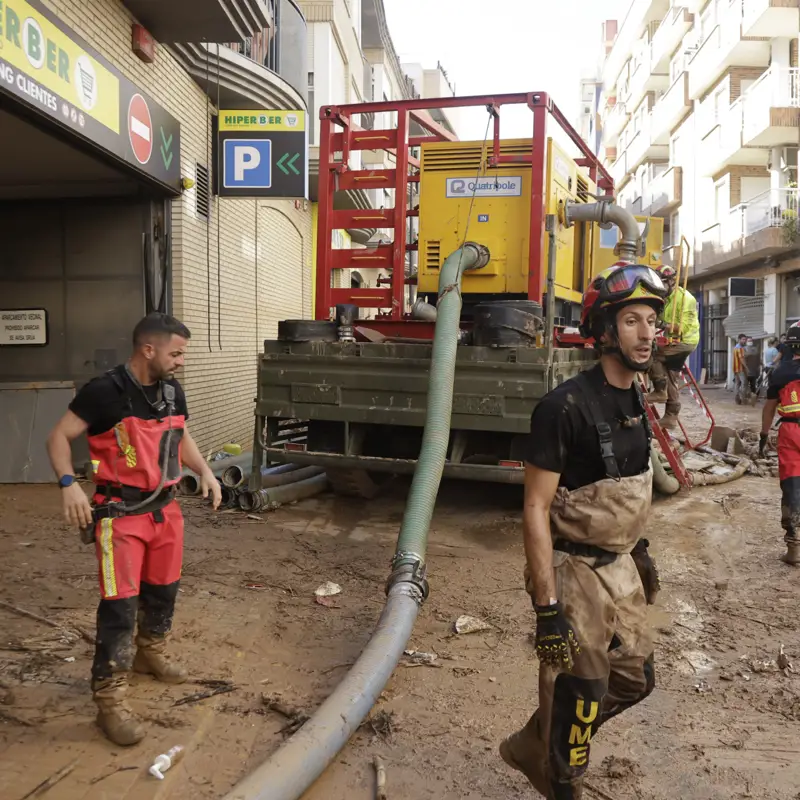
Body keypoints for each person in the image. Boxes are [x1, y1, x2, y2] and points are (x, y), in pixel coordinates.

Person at [499, 263, 665, 800]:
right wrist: (547, 611)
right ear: (605, 329)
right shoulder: (562, 407)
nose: (646, 334)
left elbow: (626, 487)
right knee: (580, 695)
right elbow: (534, 508)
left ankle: (535, 742)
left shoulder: (637, 396)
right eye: (633, 321)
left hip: (618, 565)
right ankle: (561, 777)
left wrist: (637, 550)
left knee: (636, 678)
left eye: (651, 322)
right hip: (573, 571)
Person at [46, 313, 221, 746]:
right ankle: (109, 698)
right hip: (120, 516)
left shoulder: (171, 390)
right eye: (176, 353)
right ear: (148, 349)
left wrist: (208, 472)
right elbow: (57, 438)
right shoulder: (104, 391)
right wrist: (69, 485)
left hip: (165, 512)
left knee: (164, 590)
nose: (181, 361)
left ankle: (150, 653)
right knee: (120, 608)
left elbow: (181, 438)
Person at [760, 325, 800, 565]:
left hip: (790, 431)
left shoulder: (780, 372)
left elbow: (769, 408)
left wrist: (764, 435)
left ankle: (794, 547)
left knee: (793, 487)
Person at [647, 265, 699, 429]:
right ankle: (670, 417)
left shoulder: (685, 299)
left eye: (661, 283)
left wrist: (660, 323)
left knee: (650, 354)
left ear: (671, 281)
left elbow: (681, 328)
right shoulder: (666, 298)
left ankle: (659, 391)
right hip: (674, 341)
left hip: (685, 341)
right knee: (671, 377)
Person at [733, 334, 749, 404]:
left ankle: (737, 399)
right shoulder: (740, 348)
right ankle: (743, 399)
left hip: (735, 368)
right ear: (739, 339)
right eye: (743, 339)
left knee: (737, 384)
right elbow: (741, 359)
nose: (744, 341)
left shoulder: (735, 347)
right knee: (744, 383)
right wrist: (746, 367)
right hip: (740, 368)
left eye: (745, 339)